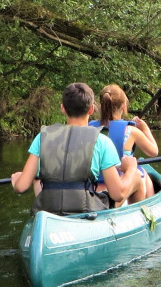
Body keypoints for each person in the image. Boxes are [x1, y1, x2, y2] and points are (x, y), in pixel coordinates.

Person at [11, 82, 126, 214]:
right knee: (131, 176)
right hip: (85, 210)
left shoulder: (42, 137)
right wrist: (131, 169)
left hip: (49, 210)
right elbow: (117, 195)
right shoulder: (102, 141)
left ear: (63, 109)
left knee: (38, 179)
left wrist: (16, 182)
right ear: (91, 109)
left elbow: (21, 187)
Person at [90, 84, 159, 204]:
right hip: (120, 186)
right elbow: (153, 152)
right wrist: (145, 129)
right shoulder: (131, 131)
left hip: (93, 186)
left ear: (100, 106)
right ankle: (149, 206)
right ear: (123, 106)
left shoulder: (88, 127)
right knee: (142, 173)